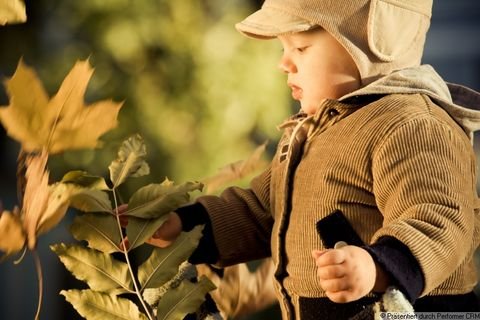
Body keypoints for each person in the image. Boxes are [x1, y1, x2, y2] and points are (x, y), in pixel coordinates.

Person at [146, 0, 480, 318]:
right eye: (283, 48)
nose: (284, 63)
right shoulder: (314, 132)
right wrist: (186, 227)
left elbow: (440, 217)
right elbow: (262, 212)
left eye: (301, 48)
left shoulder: (411, 124)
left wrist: (376, 267)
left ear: (373, 46)